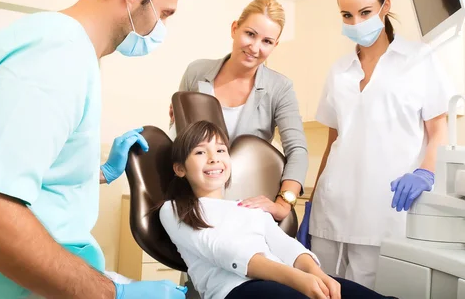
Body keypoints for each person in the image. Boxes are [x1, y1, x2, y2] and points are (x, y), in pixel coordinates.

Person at [0, 0, 190, 299]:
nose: (160, 29)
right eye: (164, 14)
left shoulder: (65, 51)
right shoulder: (57, 53)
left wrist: (97, 173)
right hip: (11, 286)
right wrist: (111, 293)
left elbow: (27, 177)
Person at [297, 0, 452, 290]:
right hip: (331, 210)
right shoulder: (339, 70)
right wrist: (312, 203)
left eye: (365, 12)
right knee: (318, 293)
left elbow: (438, 131)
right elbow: (334, 141)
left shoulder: (419, 59)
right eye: (347, 15)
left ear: (385, 6)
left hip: (383, 213)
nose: (356, 22)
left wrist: (426, 172)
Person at [159, 120, 395, 299]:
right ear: (180, 169)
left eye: (221, 150)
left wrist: (317, 274)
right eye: (200, 152)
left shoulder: (247, 206)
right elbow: (227, 253)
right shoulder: (174, 210)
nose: (214, 158)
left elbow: (285, 244)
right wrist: (297, 279)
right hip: (236, 290)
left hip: (282, 279)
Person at [170, 0, 307, 223]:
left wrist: (284, 203)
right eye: (250, 34)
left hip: (246, 205)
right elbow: (180, 139)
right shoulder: (196, 72)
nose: (255, 47)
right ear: (235, 28)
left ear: (275, 45)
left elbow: (298, 150)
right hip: (196, 204)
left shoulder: (279, 88)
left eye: (267, 41)